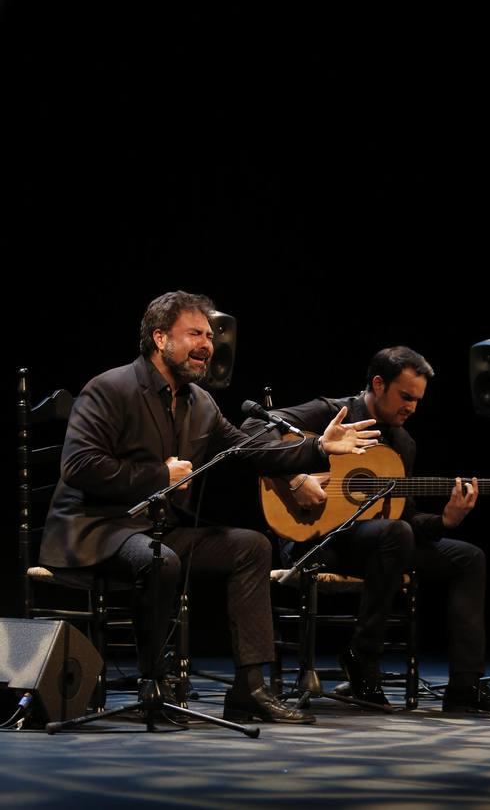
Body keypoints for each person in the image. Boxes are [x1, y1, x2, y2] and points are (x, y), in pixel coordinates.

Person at [39, 291, 381, 725]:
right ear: (160, 339)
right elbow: (79, 466)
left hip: (157, 528)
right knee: (160, 561)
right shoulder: (110, 388)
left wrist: (317, 448)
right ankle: (153, 684)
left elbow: (252, 449)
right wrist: (157, 476)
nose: (208, 344)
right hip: (96, 526)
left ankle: (249, 689)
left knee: (250, 546)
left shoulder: (200, 402)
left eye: (209, 335)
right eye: (195, 334)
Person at [243, 346, 490, 715]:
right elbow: (251, 430)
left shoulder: (403, 443)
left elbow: (403, 517)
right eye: (405, 396)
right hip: (315, 541)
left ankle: (464, 687)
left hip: (379, 546)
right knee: (395, 535)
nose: (412, 407)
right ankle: (363, 658)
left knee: (468, 557)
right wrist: (296, 477)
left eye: (418, 400)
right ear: (378, 384)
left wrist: (446, 521)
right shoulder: (332, 412)